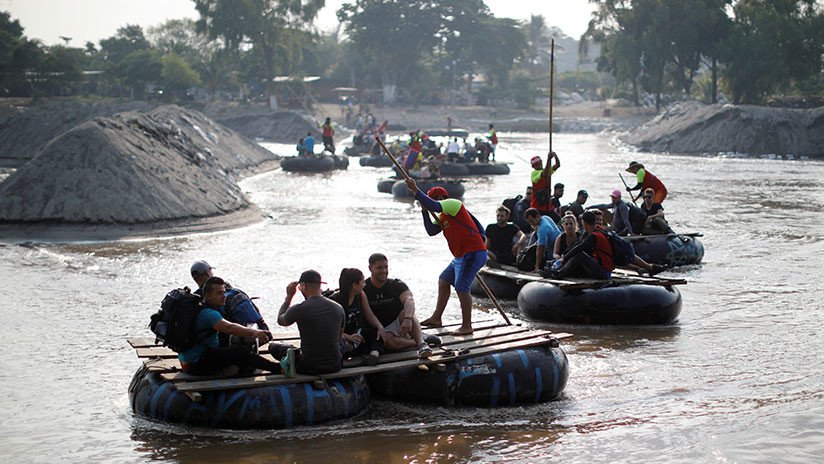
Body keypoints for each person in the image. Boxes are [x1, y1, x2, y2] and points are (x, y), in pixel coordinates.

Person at [408, 181, 487, 335]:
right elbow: (431, 231)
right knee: (444, 280)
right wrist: (424, 211)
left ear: (444, 197)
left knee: (462, 287)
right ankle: (436, 318)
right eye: (435, 198)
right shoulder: (443, 217)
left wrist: (415, 190)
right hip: (460, 256)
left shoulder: (453, 205)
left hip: (473, 252)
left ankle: (467, 326)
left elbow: (434, 206)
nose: (438, 200)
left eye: (439, 198)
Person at [178, 276, 279, 376]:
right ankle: (279, 368)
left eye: (224, 292)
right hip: (195, 364)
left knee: (234, 350)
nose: (224, 296)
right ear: (207, 296)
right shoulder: (209, 314)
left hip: (187, 362)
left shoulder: (199, 308)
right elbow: (229, 328)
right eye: (219, 293)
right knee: (241, 352)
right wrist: (255, 332)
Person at [271, 270, 345, 375]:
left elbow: (281, 321)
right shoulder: (338, 307)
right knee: (340, 342)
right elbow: (339, 336)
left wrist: (289, 297)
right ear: (320, 285)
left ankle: (293, 358)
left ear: (303, 286)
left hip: (309, 367)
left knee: (273, 347)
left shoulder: (298, 308)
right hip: (336, 366)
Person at [363, 253, 433, 357]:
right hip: (378, 327)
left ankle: (422, 344)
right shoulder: (364, 288)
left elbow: (409, 300)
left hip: (398, 322)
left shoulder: (396, 284)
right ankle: (420, 340)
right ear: (370, 268)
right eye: (379, 268)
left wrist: (407, 318)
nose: (383, 271)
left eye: (386, 267)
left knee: (407, 312)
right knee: (387, 342)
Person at [190, 260, 270, 346]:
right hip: (237, 336)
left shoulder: (194, 299)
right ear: (208, 273)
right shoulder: (226, 288)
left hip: (211, 342)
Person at [328, 268, 383, 364]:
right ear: (354, 285)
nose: (365, 284)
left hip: (357, 334)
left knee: (376, 334)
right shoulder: (335, 301)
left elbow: (369, 314)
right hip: (342, 336)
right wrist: (348, 337)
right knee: (341, 343)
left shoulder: (361, 295)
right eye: (362, 282)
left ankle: (373, 356)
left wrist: (379, 327)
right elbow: (330, 329)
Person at [552, 211, 613, 280]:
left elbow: (580, 247)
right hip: (599, 267)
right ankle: (556, 269)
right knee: (576, 257)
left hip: (604, 272)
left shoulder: (594, 236)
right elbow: (577, 243)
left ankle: (558, 274)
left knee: (579, 255)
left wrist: (565, 258)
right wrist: (565, 254)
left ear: (584, 223)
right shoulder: (593, 231)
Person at [523, 207, 562, 273]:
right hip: (560, 246)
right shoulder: (546, 217)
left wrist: (537, 266)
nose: (531, 224)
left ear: (537, 216)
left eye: (532, 221)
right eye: (529, 223)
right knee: (533, 235)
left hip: (552, 254)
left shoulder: (542, 229)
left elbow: (540, 250)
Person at [530, 151, 561, 216]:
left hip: (547, 206)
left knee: (559, 221)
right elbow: (544, 173)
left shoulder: (547, 170)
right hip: (538, 206)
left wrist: (555, 156)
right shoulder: (534, 174)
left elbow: (557, 165)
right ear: (533, 167)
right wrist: (548, 159)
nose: (539, 165)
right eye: (537, 164)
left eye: (540, 163)